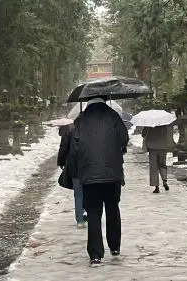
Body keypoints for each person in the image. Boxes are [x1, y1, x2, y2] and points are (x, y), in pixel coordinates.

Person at [71, 97, 129, 267]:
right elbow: (124, 139)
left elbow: (74, 149)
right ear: (104, 100)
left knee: (94, 212)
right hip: (112, 173)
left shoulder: (81, 120)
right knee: (112, 208)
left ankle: (95, 254)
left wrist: (78, 170)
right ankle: (115, 246)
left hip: (89, 174)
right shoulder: (113, 116)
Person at [57, 124, 85, 228]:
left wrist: (61, 161)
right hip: (91, 167)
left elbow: (63, 147)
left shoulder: (70, 130)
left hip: (74, 166)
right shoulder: (94, 128)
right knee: (90, 192)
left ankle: (79, 220)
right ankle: (88, 214)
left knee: (78, 195)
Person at [141, 124, 174, 193]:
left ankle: (157, 187)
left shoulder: (149, 122)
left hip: (152, 147)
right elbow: (169, 134)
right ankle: (164, 181)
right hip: (163, 146)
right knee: (162, 164)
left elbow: (143, 134)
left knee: (154, 167)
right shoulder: (164, 123)